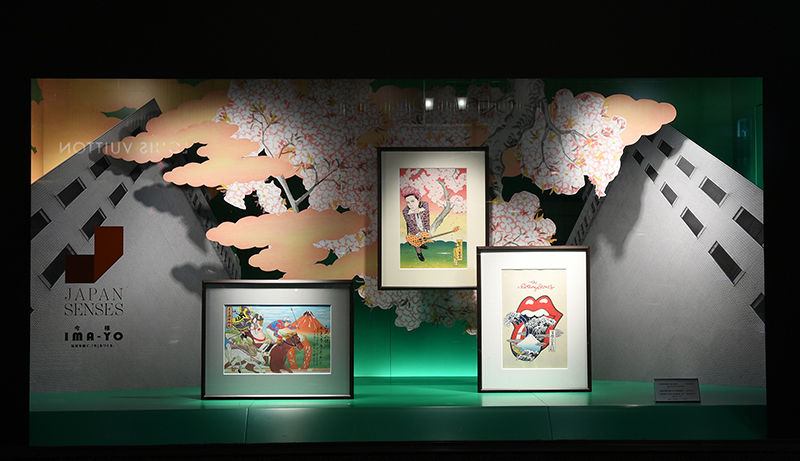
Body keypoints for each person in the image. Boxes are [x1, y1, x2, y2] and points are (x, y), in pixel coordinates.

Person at [400, 186, 430, 261]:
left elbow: (426, 217)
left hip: (422, 226)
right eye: (408, 202)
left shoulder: (425, 205)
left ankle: (422, 244)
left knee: (423, 237)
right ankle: (419, 253)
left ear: (418, 199)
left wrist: (427, 228)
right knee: (416, 242)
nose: (410, 205)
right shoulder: (406, 212)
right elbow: (410, 224)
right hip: (413, 229)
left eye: (412, 201)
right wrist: (416, 233)